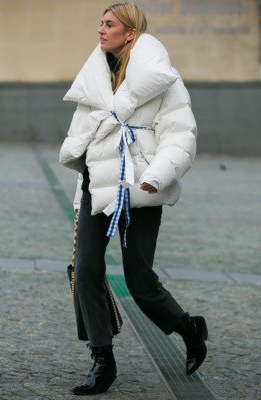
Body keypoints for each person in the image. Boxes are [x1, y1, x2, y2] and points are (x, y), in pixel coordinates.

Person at [59, 2, 208, 396]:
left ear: (130, 33)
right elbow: (82, 135)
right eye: (99, 23)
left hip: (141, 188)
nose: (100, 30)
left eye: (109, 24)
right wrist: (80, 186)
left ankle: (190, 328)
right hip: (97, 185)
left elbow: (181, 136)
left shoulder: (164, 81)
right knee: (86, 270)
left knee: (140, 282)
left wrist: (157, 177)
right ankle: (102, 360)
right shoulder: (93, 78)